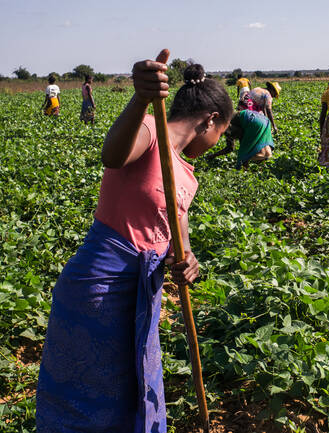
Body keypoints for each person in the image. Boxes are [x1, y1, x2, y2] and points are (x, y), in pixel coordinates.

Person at [36, 52, 233, 433]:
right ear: (210, 121)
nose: (215, 142)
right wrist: (140, 98)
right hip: (100, 288)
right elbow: (112, 156)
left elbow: (177, 236)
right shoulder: (148, 129)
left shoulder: (188, 176)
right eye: (221, 133)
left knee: (135, 387)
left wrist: (187, 259)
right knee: (88, 392)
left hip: (142, 294)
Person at [207, 109, 274, 168]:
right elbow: (230, 147)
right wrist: (214, 155)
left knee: (243, 154)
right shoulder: (229, 114)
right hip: (264, 120)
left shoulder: (225, 125)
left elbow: (230, 146)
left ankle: (245, 169)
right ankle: (263, 164)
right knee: (262, 149)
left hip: (253, 122)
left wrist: (244, 156)